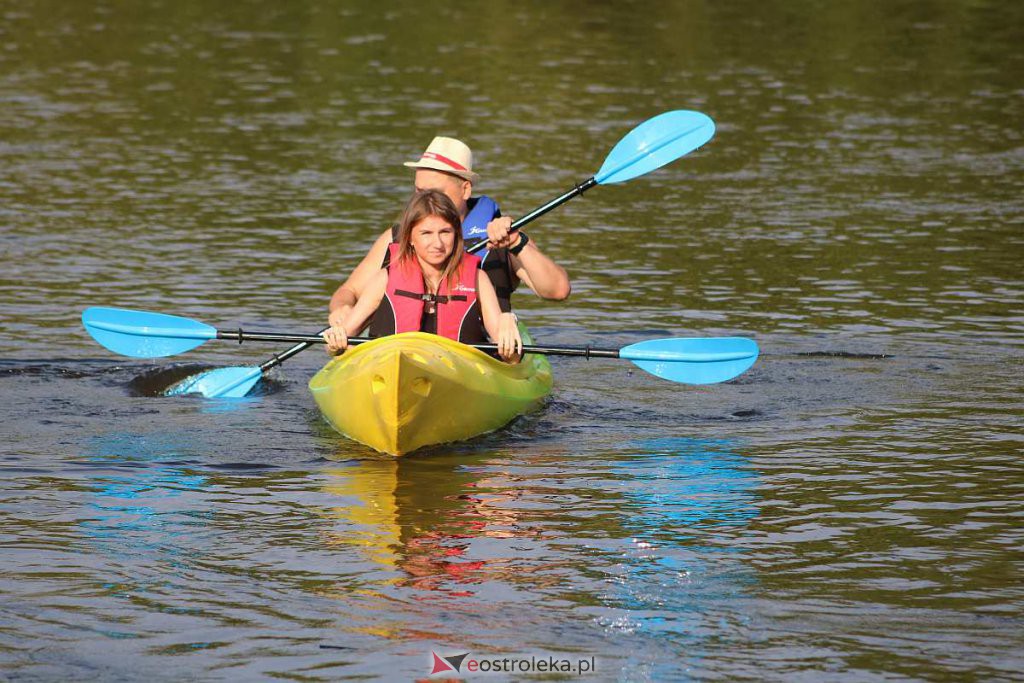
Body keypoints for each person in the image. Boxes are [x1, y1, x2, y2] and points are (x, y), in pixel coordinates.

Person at [327, 136, 570, 336]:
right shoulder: (398, 236)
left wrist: (517, 243)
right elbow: (348, 291)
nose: (424, 200)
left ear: (465, 189)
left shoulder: (503, 235)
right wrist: (342, 309)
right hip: (398, 351)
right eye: (418, 191)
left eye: (434, 192)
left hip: (477, 356)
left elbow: (557, 290)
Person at [322, 189, 522, 363]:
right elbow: (340, 342)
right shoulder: (386, 278)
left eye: (445, 232)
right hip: (389, 369)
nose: (437, 243)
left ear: (457, 235)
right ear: (409, 238)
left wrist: (507, 325)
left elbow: (510, 360)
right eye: (426, 233)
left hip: (459, 373)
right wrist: (334, 343)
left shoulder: (478, 279)